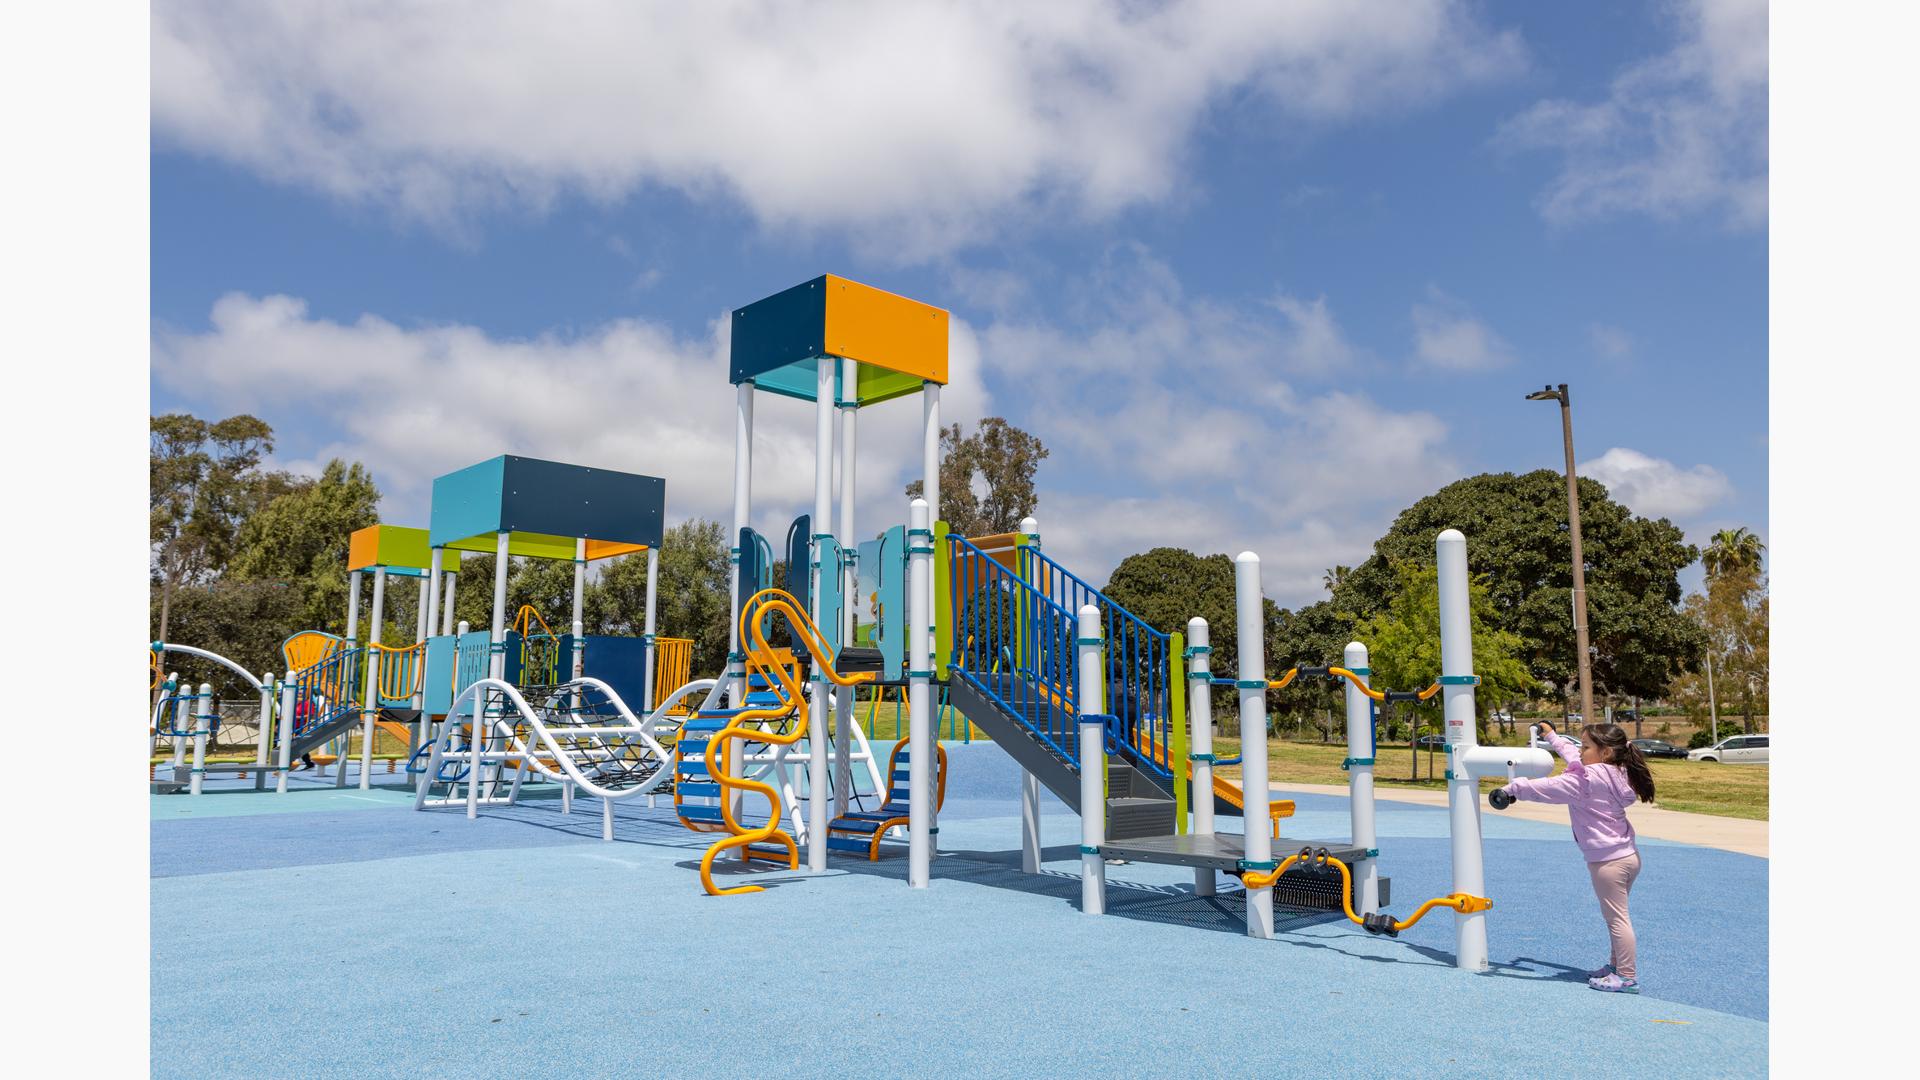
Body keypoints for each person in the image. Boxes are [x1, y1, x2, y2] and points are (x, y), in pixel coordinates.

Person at [1493, 721, 1656, 993]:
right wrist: (1553, 737)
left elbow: (1547, 788)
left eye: (1586, 747)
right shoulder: (1619, 771)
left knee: (1617, 919)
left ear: (1605, 752)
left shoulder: (1585, 781)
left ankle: (1627, 977)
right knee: (1615, 918)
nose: (1580, 751)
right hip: (1628, 856)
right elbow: (1574, 758)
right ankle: (1616, 967)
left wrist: (1512, 789)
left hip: (1607, 862)